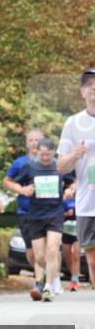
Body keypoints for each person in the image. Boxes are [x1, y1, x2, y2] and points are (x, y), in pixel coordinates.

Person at [15, 138, 75, 302]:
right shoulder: (29, 167)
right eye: (42, 154)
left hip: (55, 213)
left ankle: (48, 287)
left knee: (53, 248)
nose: (45, 158)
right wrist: (23, 189)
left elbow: (74, 182)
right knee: (39, 256)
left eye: (48, 155)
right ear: (37, 152)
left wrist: (70, 190)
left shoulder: (60, 166)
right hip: (35, 215)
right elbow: (11, 183)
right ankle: (48, 276)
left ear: (53, 153)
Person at [57, 68, 95, 296]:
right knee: (91, 260)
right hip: (87, 203)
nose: (94, 87)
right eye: (89, 84)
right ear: (82, 92)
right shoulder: (73, 123)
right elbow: (61, 167)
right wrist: (75, 154)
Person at [3, 129, 44, 279]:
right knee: (32, 251)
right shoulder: (20, 163)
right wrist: (22, 190)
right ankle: (44, 273)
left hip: (47, 211)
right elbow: (7, 182)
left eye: (37, 140)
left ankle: (45, 280)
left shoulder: (51, 161)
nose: (34, 143)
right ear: (27, 144)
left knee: (46, 248)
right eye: (31, 140)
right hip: (26, 211)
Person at [63, 183, 81, 290]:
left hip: (78, 228)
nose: (74, 188)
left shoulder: (82, 198)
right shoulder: (65, 200)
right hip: (66, 229)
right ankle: (73, 275)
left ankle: (74, 281)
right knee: (68, 256)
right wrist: (65, 213)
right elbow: (58, 213)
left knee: (76, 255)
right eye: (72, 187)